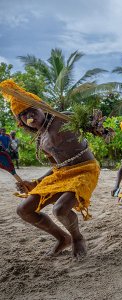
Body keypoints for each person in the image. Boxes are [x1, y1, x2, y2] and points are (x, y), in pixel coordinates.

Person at [0, 79, 100, 258]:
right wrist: (36, 182)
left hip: (85, 170)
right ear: (21, 123)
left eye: (32, 108)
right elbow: (57, 167)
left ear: (42, 107)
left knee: (60, 210)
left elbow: (89, 123)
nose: (29, 115)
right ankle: (63, 238)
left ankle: (77, 238)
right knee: (23, 210)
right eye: (23, 114)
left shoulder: (63, 118)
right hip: (62, 174)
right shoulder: (41, 138)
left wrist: (96, 127)